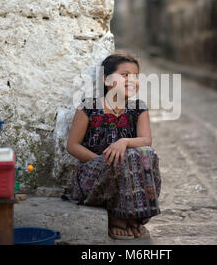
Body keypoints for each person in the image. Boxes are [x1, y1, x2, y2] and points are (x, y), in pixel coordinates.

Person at [66, 53, 161, 240]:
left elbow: (146, 140)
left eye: (135, 76)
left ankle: (135, 216)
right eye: (125, 75)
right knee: (125, 159)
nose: (131, 80)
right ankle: (118, 216)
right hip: (94, 174)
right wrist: (106, 163)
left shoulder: (138, 108)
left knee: (145, 153)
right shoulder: (89, 107)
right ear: (106, 79)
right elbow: (72, 146)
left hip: (128, 174)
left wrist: (124, 142)